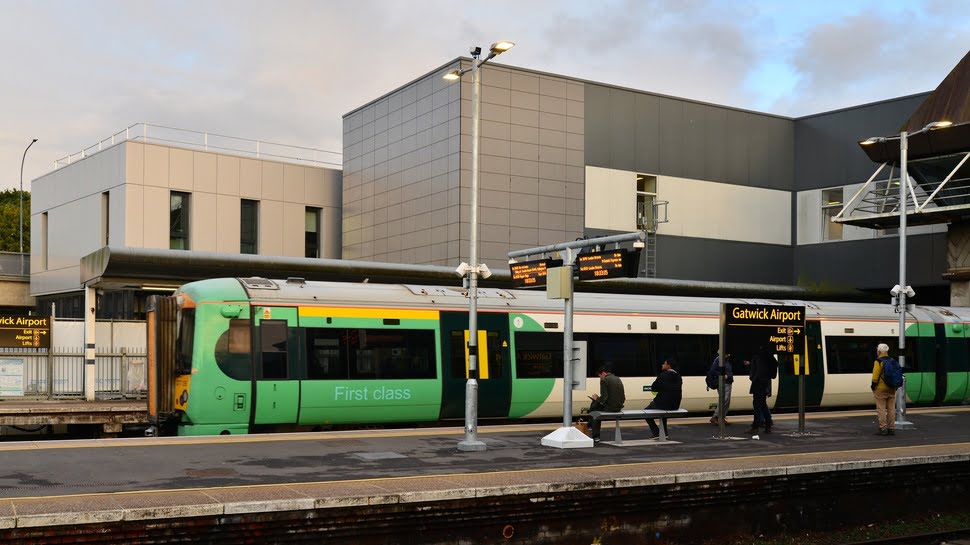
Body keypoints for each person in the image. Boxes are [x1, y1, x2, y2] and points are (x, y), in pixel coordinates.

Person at [644, 358, 683, 439]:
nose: (662, 365)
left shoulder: (663, 375)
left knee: (646, 413)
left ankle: (656, 433)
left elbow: (654, 388)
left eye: (664, 363)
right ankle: (664, 433)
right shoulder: (678, 376)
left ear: (668, 365)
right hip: (675, 405)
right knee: (663, 414)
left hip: (662, 403)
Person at [587, 364, 625, 441]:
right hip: (619, 407)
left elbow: (604, 398)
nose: (600, 378)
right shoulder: (617, 379)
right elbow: (623, 396)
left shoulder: (604, 380)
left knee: (594, 410)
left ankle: (595, 434)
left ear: (603, 373)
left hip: (610, 408)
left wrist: (596, 398)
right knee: (595, 406)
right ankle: (590, 425)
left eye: (600, 376)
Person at [746, 346, 777, 434]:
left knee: (757, 404)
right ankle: (768, 424)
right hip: (766, 381)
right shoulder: (770, 356)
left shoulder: (758, 356)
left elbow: (757, 370)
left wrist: (754, 378)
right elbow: (774, 371)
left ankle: (756, 426)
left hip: (759, 383)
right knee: (762, 403)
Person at [871, 343, 897, 436]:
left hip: (880, 389)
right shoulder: (893, 361)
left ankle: (883, 428)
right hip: (892, 388)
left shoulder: (878, 361)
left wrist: (873, 387)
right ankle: (891, 428)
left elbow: (875, 377)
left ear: (878, 351)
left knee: (881, 409)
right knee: (891, 409)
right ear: (887, 351)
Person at [708, 352, 734, 425]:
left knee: (726, 401)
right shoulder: (719, 359)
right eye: (727, 353)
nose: (729, 354)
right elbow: (712, 371)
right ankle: (716, 417)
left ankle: (721, 418)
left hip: (727, 382)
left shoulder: (726, 360)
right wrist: (723, 375)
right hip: (724, 382)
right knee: (724, 400)